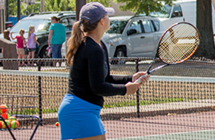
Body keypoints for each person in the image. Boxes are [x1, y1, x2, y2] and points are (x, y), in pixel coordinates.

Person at [57, 2, 148, 140]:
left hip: (87, 109)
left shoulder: (100, 46)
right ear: (101, 21)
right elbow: (98, 87)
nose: (109, 19)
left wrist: (130, 78)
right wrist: (125, 90)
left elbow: (105, 78)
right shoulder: (91, 49)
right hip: (79, 110)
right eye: (107, 16)